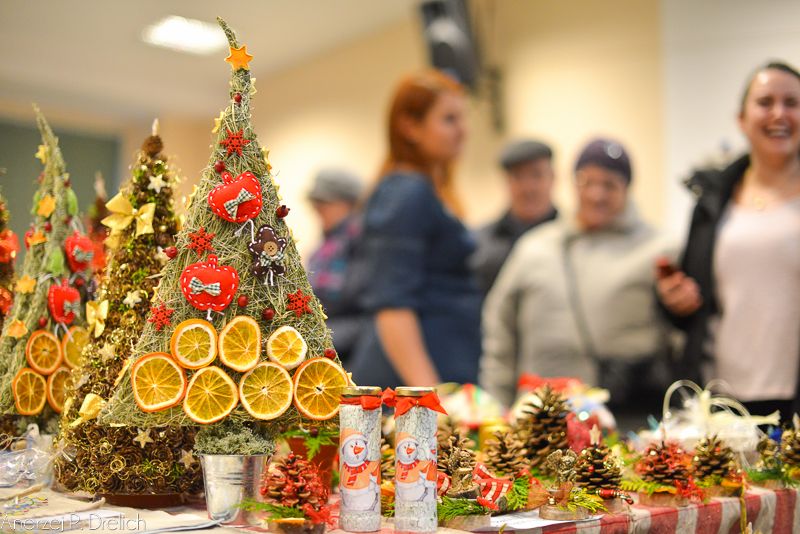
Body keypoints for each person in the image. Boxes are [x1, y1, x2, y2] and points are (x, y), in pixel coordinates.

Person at [480, 138, 676, 412]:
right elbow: (500, 326)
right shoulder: (536, 246)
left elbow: (679, 333)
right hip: (540, 415)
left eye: (609, 184)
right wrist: (496, 404)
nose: (597, 194)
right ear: (573, 184)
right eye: (587, 182)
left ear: (627, 188)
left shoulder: (660, 249)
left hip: (626, 413)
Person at [657, 61, 800, 422]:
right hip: (720, 400)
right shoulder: (711, 201)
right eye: (765, 102)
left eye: (792, 103)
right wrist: (675, 299)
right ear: (741, 119)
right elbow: (693, 301)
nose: (779, 113)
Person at [349, 70, 482, 388]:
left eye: (462, 118)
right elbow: (392, 308)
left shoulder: (427, 191)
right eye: (449, 119)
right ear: (410, 126)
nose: (463, 131)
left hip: (440, 369)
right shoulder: (406, 193)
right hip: (410, 383)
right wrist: (430, 399)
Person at [471, 140, 558, 295]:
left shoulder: (574, 239)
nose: (527, 188)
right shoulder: (480, 243)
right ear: (506, 182)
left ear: (552, 177)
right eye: (517, 177)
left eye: (536, 175)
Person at [306, 168, 366, 366]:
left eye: (324, 203)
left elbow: (365, 316)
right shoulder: (325, 247)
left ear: (348, 203)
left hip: (347, 356)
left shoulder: (361, 243)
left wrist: (318, 341)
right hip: (324, 345)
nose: (318, 209)